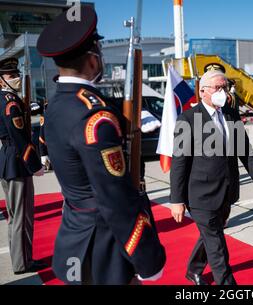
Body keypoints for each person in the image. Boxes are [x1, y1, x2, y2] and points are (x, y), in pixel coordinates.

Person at [36, 5, 165, 285]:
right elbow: (114, 197)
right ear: (93, 60)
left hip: (76, 234)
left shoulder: (59, 104)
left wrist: (127, 117)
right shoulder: (95, 118)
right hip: (104, 248)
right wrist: (147, 259)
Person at [170, 70, 253, 285]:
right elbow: (179, 162)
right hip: (200, 195)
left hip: (227, 190)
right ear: (203, 91)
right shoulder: (188, 119)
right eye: (218, 88)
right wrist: (176, 199)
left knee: (211, 233)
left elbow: (245, 150)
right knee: (217, 247)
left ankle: (194, 270)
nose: (223, 92)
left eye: (225, 87)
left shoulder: (231, 114)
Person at [0, 57, 46, 275]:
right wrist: (34, 164)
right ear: (1, 80)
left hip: (7, 158)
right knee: (22, 215)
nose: (16, 79)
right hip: (17, 160)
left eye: (17, 75)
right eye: (12, 76)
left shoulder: (5, 99)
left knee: (14, 216)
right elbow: (19, 136)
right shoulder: (10, 101)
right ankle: (23, 262)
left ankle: (19, 259)